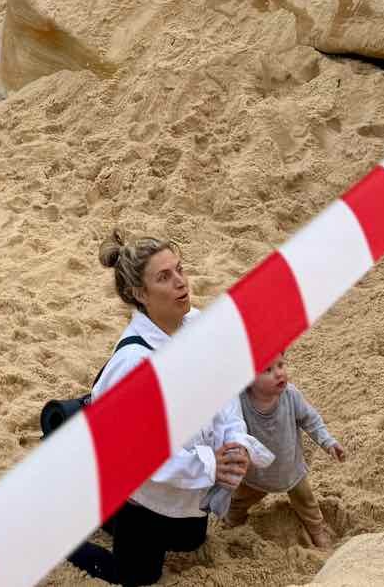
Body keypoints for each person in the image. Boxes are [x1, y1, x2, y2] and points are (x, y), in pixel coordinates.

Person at [66, 232, 259, 585]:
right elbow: (140, 458)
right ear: (139, 294)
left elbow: (226, 394)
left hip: (188, 487)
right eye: (164, 277)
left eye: (180, 270)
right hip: (140, 494)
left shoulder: (198, 325)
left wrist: (236, 443)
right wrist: (212, 464)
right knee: (138, 576)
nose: (181, 282)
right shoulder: (133, 366)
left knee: (190, 539)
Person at [223, 355, 344, 548]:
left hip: (291, 470)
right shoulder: (240, 403)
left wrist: (328, 442)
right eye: (268, 370)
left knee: (307, 503)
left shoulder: (291, 395)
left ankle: (317, 529)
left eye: (281, 365)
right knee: (238, 503)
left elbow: (310, 420)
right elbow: (229, 431)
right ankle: (231, 524)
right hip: (255, 474)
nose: (279, 373)